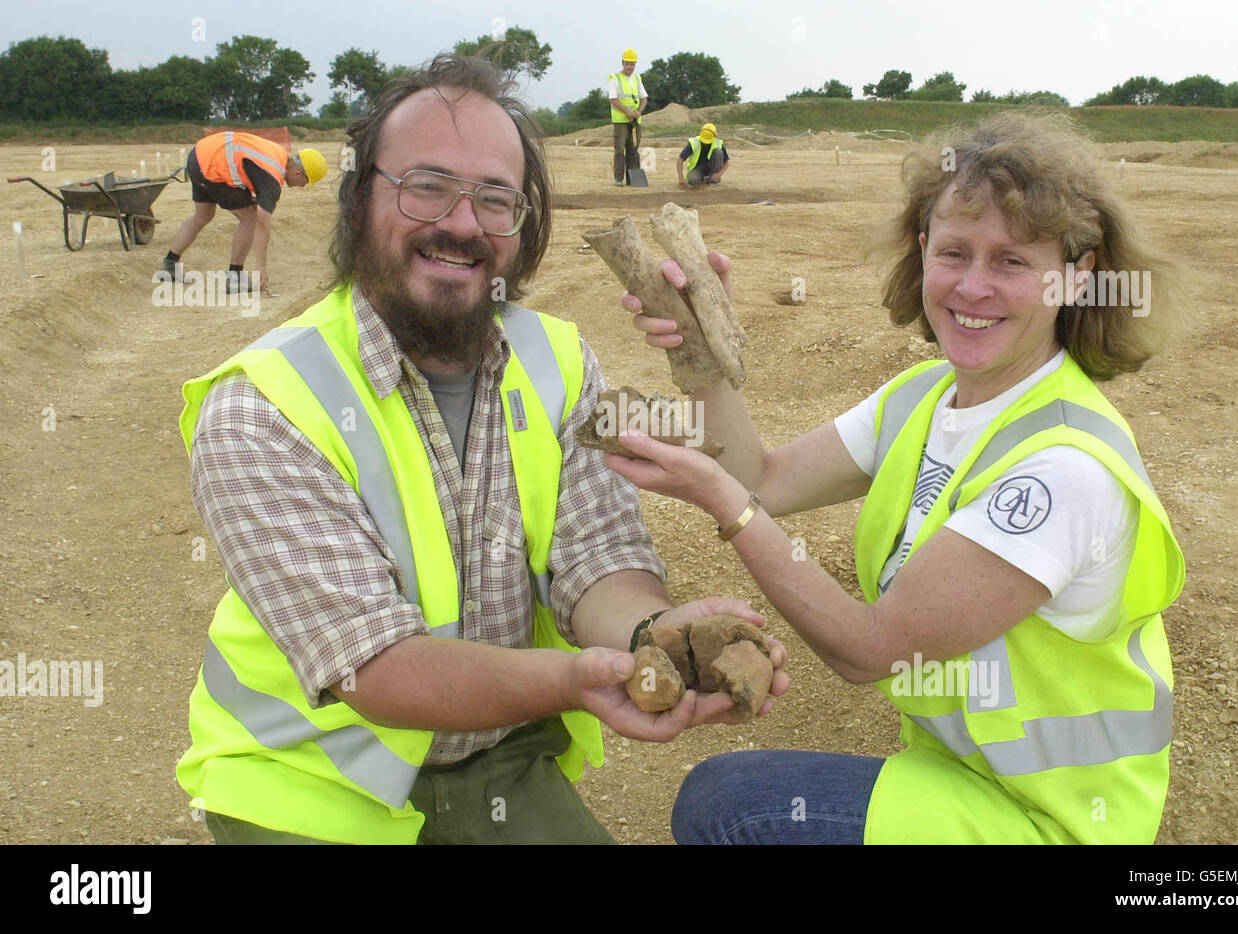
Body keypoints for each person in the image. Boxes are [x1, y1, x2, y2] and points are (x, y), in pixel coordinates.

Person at [174, 54, 785, 846]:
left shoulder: (557, 361)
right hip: (310, 783)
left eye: (495, 198)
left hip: (503, 760)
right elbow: (377, 666)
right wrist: (578, 679)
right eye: (426, 186)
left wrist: (650, 637)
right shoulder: (264, 404)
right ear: (360, 202)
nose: (461, 223)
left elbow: (597, 557)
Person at [609, 111, 1187, 844]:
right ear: (922, 252)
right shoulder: (924, 397)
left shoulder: (1064, 467)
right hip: (966, 778)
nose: (973, 287)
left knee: (730, 806)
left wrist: (724, 504)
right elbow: (765, 478)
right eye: (953, 253)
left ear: (1077, 275)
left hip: (1048, 821)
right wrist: (698, 350)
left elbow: (871, 648)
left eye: (1011, 261)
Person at [161, 131, 327, 293]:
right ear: (298, 173)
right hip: (212, 168)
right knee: (250, 219)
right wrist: (261, 267)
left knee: (203, 215)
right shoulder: (272, 177)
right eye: (305, 181)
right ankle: (235, 277)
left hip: (199, 155)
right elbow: (262, 222)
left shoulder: (277, 154)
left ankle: (170, 265)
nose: (303, 186)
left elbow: (246, 166)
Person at [608, 49, 649, 186]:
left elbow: (644, 98)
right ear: (622, 63)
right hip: (620, 121)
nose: (629, 67)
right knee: (620, 149)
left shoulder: (637, 79)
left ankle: (633, 180)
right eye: (627, 64)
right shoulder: (615, 79)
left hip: (635, 121)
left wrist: (639, 111)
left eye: (632, 64)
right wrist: (627, 111)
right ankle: (619, 179)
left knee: (633, 149)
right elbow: (613, 99)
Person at [678, 123, 729, 188]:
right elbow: (680, 159)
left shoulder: (718, 144)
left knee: (718, 152)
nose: (706, 143)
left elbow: (726, 163)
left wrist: (718, 174)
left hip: (712, 167)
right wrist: (681, 178)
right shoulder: (694, 143)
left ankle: (713, 180)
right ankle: (705, 179)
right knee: (693, 180)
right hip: (697, 168)